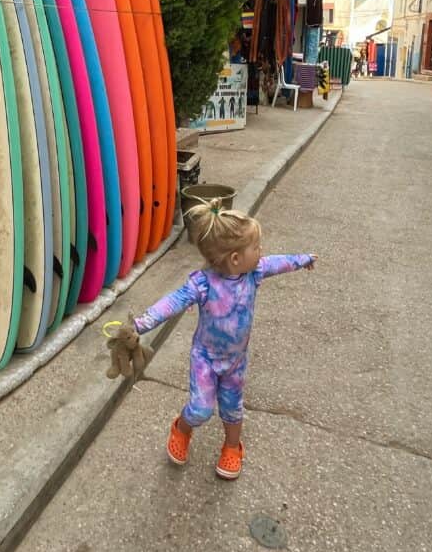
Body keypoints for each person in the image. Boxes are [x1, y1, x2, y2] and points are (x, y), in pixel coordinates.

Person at [132, 199, 317, 480]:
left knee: (232, 408)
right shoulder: (203, 284)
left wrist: (302, 260)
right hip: (205, 359)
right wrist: (142, 323)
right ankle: (182, 428)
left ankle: (232, 447)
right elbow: (173, 302)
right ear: (234, 258)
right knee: (200, 409)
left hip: (234, 361)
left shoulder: (253, 272)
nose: (261, 252)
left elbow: (278, 262)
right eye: (256, 248)